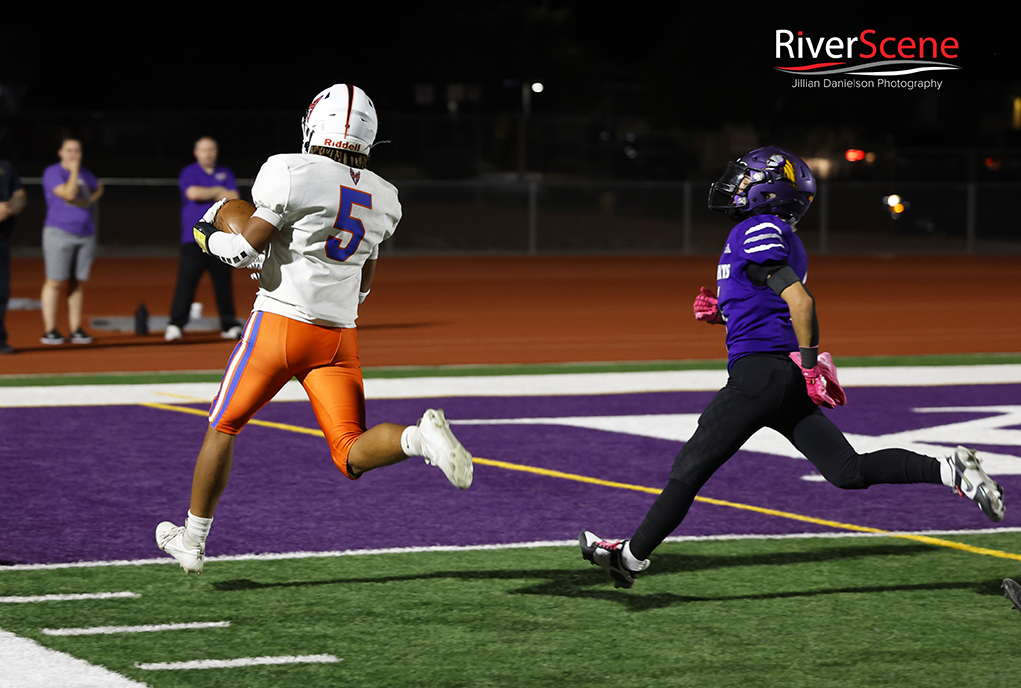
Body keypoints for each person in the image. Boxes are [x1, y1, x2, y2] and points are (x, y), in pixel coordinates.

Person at [580, 147, 1005, 589]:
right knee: (847, 471)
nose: (736, 186)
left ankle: (628, 558)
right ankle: (949, 470)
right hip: (778, 376)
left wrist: (809, 363)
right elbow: (769, 298)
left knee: (690, 467)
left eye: (746, 180)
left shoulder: (757, 228)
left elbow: (800, 301)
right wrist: (726, 312)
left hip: (761, 375)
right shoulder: (773, 231)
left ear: (769, 190)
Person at [156, 84, 474, 574]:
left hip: (280, 326)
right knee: (350, 451)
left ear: (314, 125)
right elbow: (366, 279)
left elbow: (246, 247)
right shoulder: (384, 196)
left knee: (223, 426)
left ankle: (192, 540)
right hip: (338, 337)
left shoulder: (290, 170)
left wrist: (209, 234)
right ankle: (417, 439)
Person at [166, 137, 244, 341]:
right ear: (196, 153)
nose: (208, 153)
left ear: (216, 152)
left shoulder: (225, 173)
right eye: (204, 150)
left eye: (211, 149)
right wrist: (218, 191)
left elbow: (234, 196)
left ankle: (229, 324)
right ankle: (175, 325)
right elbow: (193, 193)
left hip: (220, 239)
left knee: (223, 284)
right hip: (194, 240)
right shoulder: (189, 172)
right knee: (186, 284)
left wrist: (214, 193)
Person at [40, 138, 103, 345]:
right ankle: (50, 330)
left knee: (77, 282)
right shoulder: (53, 172)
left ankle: (75, 328)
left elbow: (98, 187)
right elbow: (68, 193)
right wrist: (74, 171)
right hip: (59, 232)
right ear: (60, 152)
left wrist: (90, 200)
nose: (73, 154)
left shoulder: (87, 174)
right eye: (69, 150)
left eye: (77, 150)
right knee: (55, 281)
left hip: (84, 233)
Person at [0, 158, 27, 354]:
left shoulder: (6, 166)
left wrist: (9, 208)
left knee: (1, 292)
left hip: (2, 238)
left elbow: (20, 194)